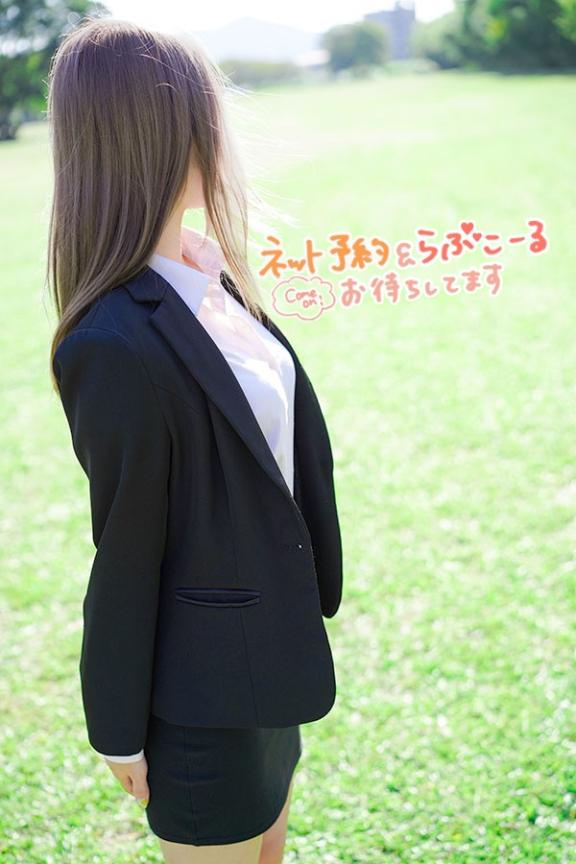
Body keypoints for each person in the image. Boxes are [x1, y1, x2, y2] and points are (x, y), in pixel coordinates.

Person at [46, 15, 343, 864]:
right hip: (201, 702)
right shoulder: (113, 343)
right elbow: (126, 548)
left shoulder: (206, 277)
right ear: (161, 134)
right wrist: (117, 727)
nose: (228, 135)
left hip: (270, 657)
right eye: (210, 112)